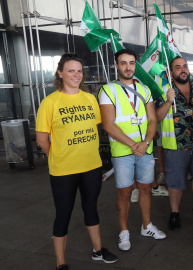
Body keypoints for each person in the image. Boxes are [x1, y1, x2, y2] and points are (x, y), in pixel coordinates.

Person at [36, 53, 118, 269]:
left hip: (91, 165)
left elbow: (96, 127)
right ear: (60, 73)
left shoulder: (90, 98)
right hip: (63, 170)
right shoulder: (49, 102)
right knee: (63, 213)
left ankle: (98, 250)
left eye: (79, 71)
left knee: (91, 207)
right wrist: (57, 155)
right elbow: (42, 139)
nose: (76, 75)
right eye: (71, 70)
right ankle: (60, 262)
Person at [99, 49, 166, 251]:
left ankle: (147, 226)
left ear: (135, 65)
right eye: (123, 63)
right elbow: (108, 125)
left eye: (131, 63)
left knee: (146, 188)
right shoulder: (107, 90)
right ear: (117, 66)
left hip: (144, 149)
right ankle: (124, 231)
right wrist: (133, 145)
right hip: (123, 151)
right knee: (125, 193)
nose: (128, 67)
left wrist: (145, 143)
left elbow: (153, 119)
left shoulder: (144, 89)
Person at [156, 56, 193, 230]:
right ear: (170, 72)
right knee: (175, 182)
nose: (183, 69)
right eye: (178, 67)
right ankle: (175, 212)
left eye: (185, 66)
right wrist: (169, 101)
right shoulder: (164, 91)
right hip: (176, 145)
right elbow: (156, 117)